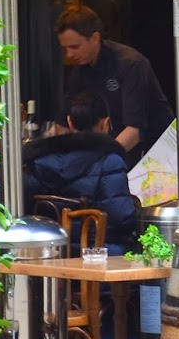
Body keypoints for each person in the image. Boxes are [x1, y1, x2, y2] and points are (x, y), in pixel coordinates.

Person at [25, 91, 142, 253]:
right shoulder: (110, 161)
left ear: (70, 122)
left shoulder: (40, 161)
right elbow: (121, 218)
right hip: (97, 258)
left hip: (52, 258)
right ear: (105, 124)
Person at [55, 6, 173, 165]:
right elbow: (63, 124)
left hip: (157, 154)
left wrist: (97, 161)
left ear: (95, 38)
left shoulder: (130, 64)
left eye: (74, 47)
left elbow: (134, 131)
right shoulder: (80, 71)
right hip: (113, 150)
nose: (69, 55)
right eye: (65, 49)